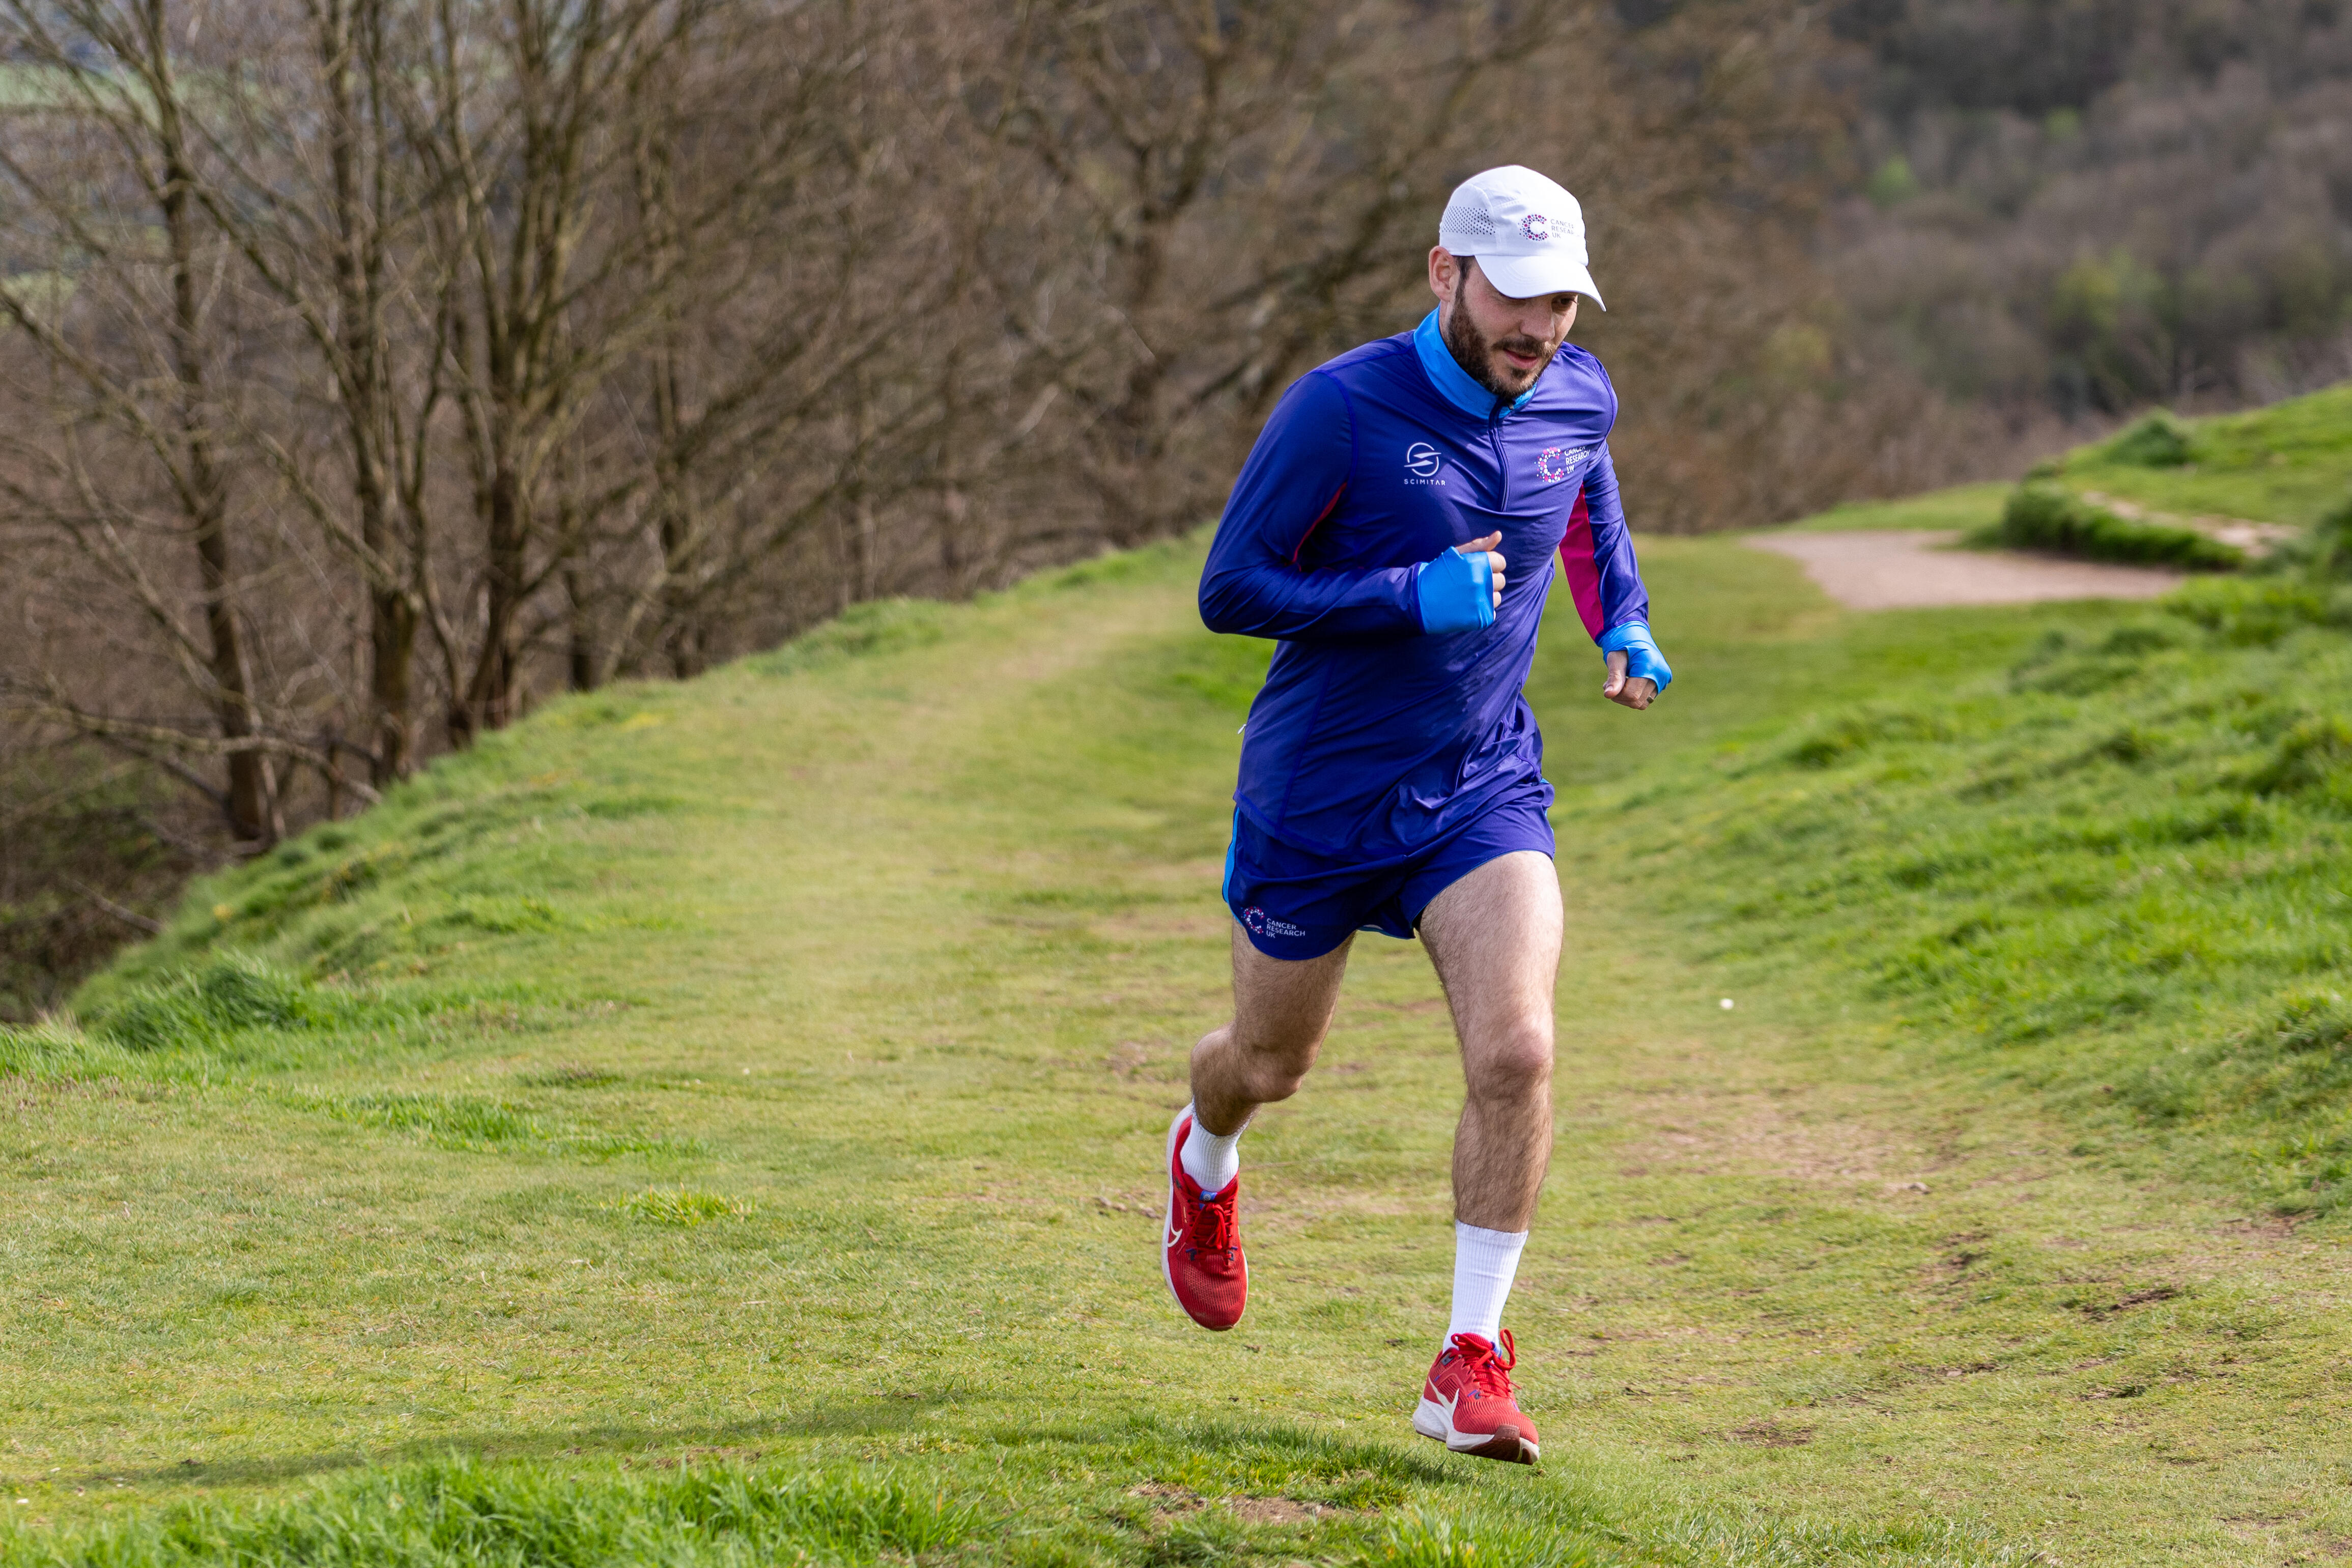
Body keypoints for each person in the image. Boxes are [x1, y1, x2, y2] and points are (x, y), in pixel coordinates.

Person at [1160, 166, 1672, 1465]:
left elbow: (1584, 491)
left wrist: (1622, 612)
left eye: (1560, 300)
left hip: (1481, 785)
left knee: (1518, 1052)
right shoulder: (1336, 410)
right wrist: (1404, 592)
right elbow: (1231, 589)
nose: (1539, 328)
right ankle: (1203, 1152)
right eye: (1514, 297)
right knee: (1269, 1066)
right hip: (1319, 795)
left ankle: (1468, 1362)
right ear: (1443, 273)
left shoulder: (1576, 386)